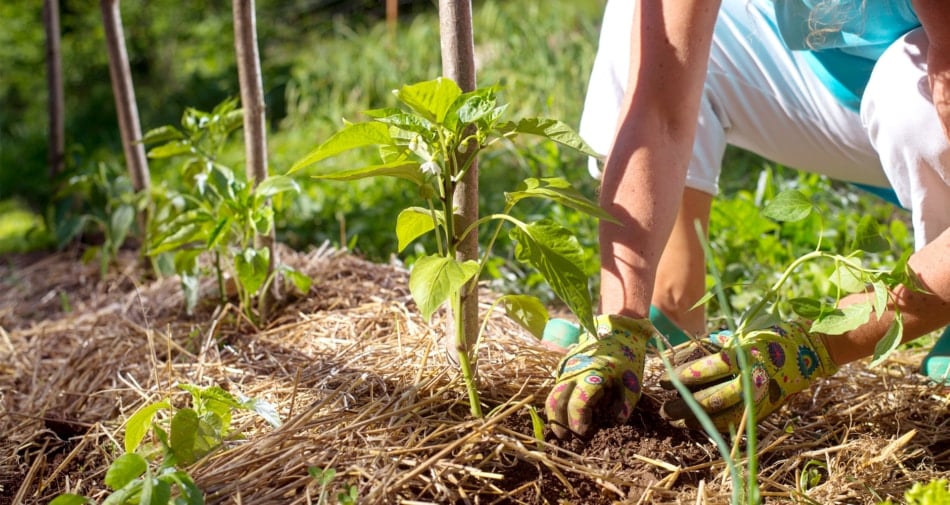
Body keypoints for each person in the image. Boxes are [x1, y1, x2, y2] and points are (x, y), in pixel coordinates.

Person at [544, 0, 950, 439]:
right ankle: (672, 307)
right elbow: (660, 111)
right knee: (646, 22)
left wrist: (810, 346)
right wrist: (619, 319)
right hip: (840, 81)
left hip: (920, 101)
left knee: (907, 95)